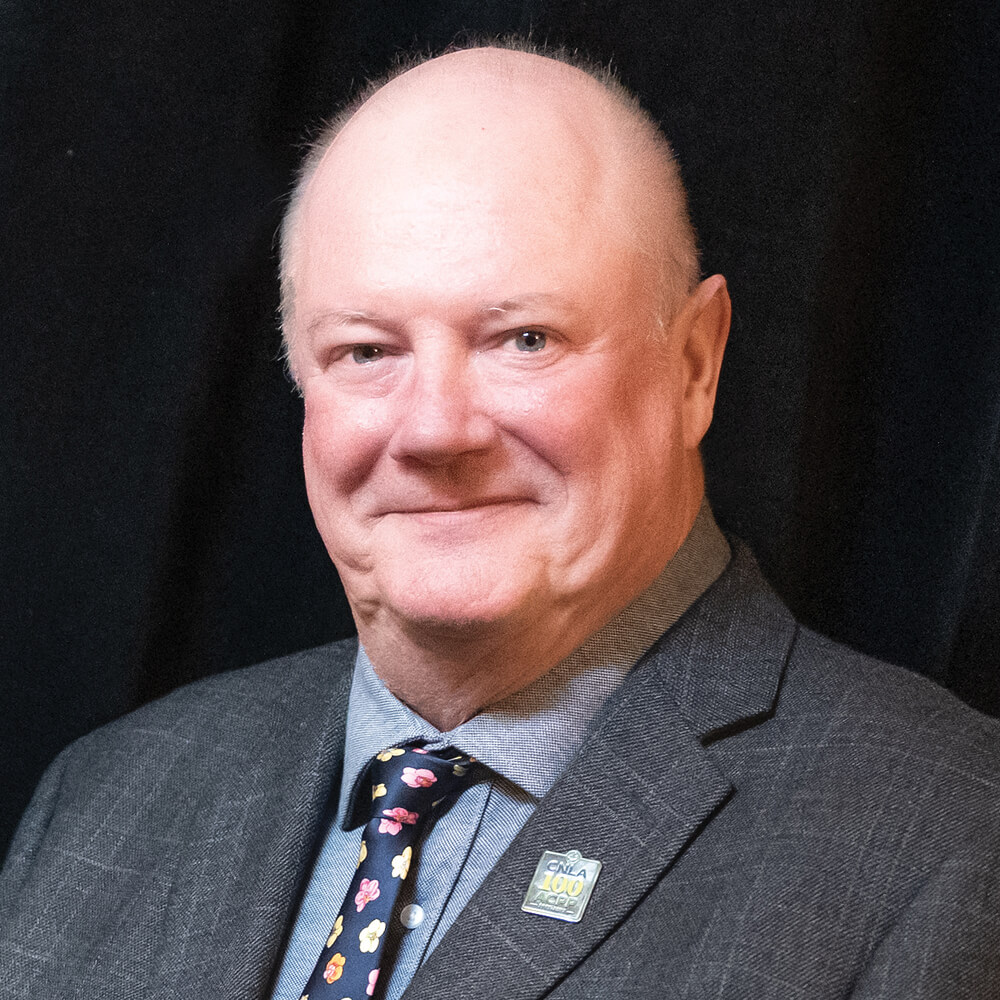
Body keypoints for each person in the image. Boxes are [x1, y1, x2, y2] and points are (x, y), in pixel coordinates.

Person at [1, 42, 998, 1000]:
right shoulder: (108, 797)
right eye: (365, 351)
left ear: (694, 364)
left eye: (525, 339)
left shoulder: (942, 840)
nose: (436, 429)